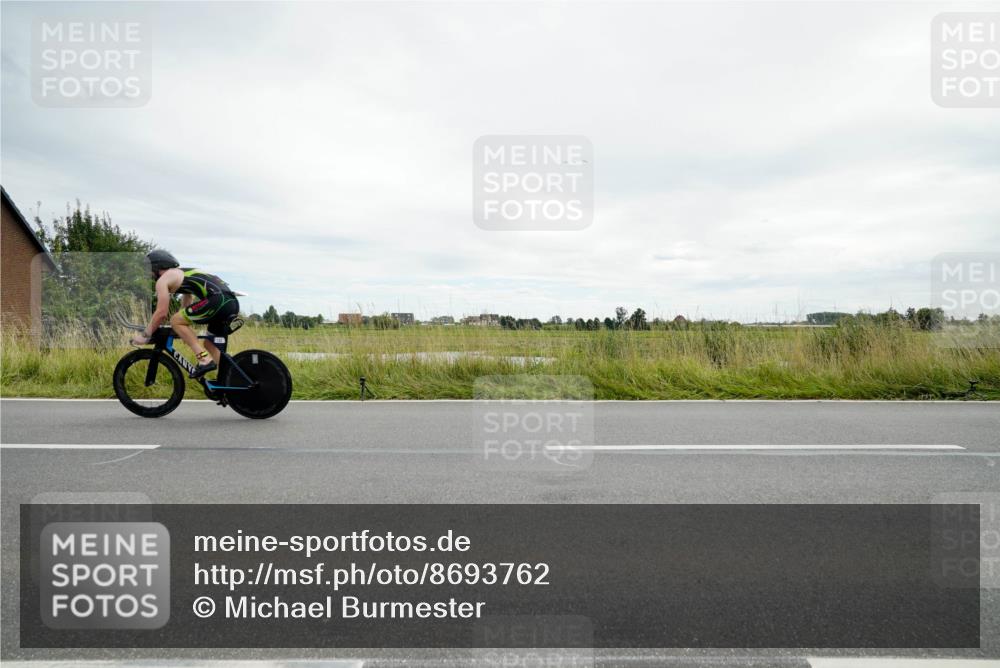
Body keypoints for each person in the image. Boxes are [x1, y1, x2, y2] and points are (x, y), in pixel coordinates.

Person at [131, 250, 240, 378]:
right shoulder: (182, 273)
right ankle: (231, 380)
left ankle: (204, 359)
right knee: (209, 345)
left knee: (175, 320)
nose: (148, 274)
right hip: (230, 302)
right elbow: (188, 298)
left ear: (156, 267)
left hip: (218, 301)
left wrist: (145, 335)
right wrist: (183, 329)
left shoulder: (163, 280)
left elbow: (161, 313)